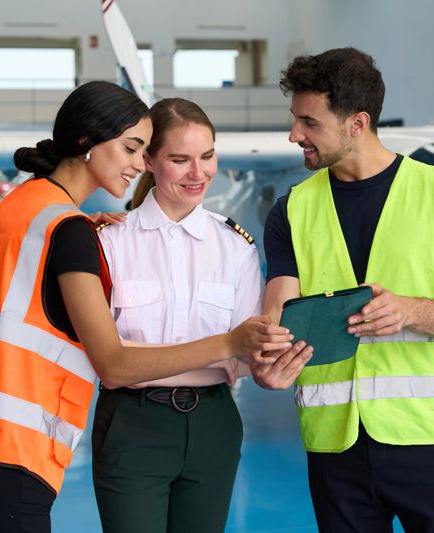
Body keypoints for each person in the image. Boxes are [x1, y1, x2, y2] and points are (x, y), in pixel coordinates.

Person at [0, 82, 293, 533]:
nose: (136, 162)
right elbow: (113, 363)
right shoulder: (89, 236)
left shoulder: (35, 209)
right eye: (135, 149)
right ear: (88, 144)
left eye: (207, 156)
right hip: (12, 441)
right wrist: (229, 344)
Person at [251, 48, 434, 533]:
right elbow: (276, 317)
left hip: (430, 441)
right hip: (334, 449)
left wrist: (407, 311)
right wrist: (267, 362)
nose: (293, 135)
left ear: (357, 123)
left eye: (309, 122)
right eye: (294, 119)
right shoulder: (291, 211)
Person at [90, 97, 302, 533]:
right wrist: (224, 350)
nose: (198, 173)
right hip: (133, 424)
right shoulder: (111, 242)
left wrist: (271, 363)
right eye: (180, 159)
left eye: (207, 157)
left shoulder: (236, 247)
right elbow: (105, 359)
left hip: (214, 425)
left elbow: (246, 356)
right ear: (148, 160)